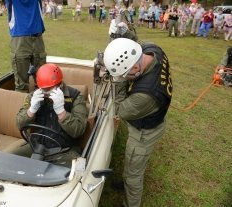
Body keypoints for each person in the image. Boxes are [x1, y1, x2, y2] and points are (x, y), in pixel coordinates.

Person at [103, 38, 172, 207]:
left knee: (134, 174)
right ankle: (127, 182)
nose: (124, 77)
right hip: (152, 116)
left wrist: (119, 82)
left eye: (126, 74)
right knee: (131, 161)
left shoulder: (145, 94)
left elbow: (120, 109)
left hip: (144, 133)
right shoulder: (153, 49)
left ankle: (130, 202)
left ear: (135, 67)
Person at [16, 63, 88, 166]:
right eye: (43, 89)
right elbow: (19, 124)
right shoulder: (34, 96)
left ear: (59, 84)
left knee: (71, 172)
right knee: (8, 161)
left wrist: (61, 112)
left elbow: (78, 130)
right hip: (36, 147)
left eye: (49, 89)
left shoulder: (75, 97)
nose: (46, 93)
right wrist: (31, 110)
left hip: (63, 150)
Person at [6, 0, 47, 93]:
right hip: (20, 38)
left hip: (36, 36)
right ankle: (23, 107)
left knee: (44, 82)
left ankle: (42, 106)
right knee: (21, 85)